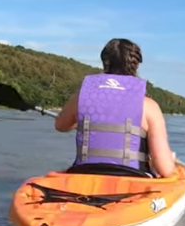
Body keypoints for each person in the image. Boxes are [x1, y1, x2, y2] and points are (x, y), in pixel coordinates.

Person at [54, 38, 178, 178]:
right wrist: (170, 160)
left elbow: (60, 125)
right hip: (132, 180)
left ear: (104, 62)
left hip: (84, 176)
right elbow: (165, 169)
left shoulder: (80, 98)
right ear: (136, 65)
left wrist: (84, 121)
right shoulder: (149, 106)